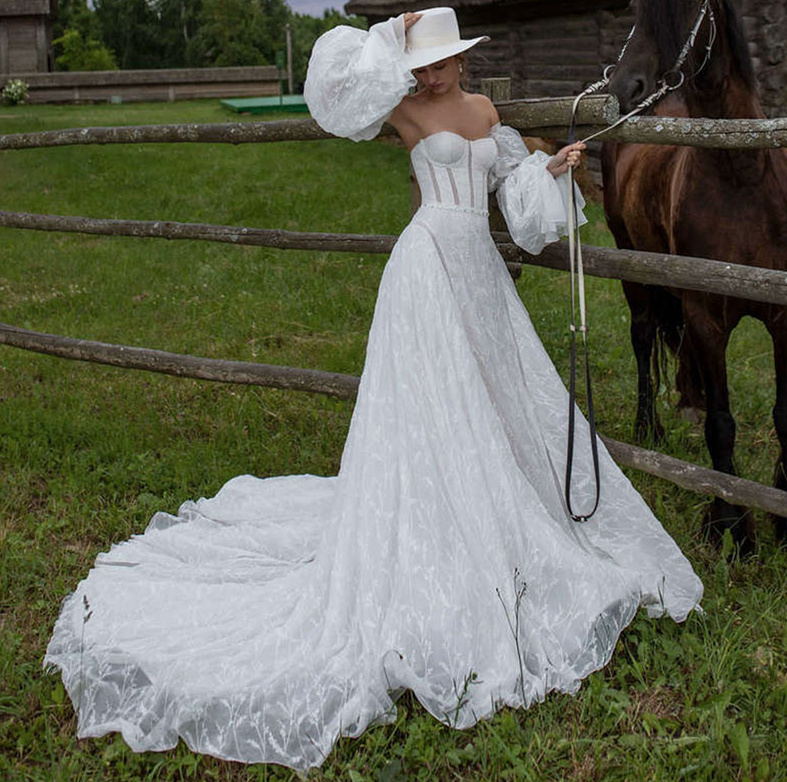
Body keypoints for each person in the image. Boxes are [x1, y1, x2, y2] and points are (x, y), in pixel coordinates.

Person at [45, 7, 703, 773]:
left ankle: (497, 511)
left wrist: (544, 170)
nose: (433, 75)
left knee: (494, 397)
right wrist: (390, 35)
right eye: (422, 63)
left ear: (463, 59)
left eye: (441, 61)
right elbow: (332, 92)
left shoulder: (484, 112)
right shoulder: (401, 108)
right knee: (427, 401)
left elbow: (511, 202)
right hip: (424, 265)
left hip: (479, 276)